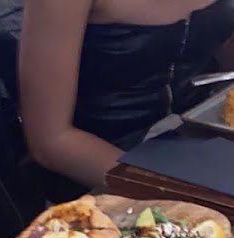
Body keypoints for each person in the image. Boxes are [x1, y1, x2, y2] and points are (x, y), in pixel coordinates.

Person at [18, 0, 234, 201]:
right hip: (102, 172)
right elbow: (51, 143)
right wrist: (182, 194)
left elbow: (217, 60)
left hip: (205, 142)